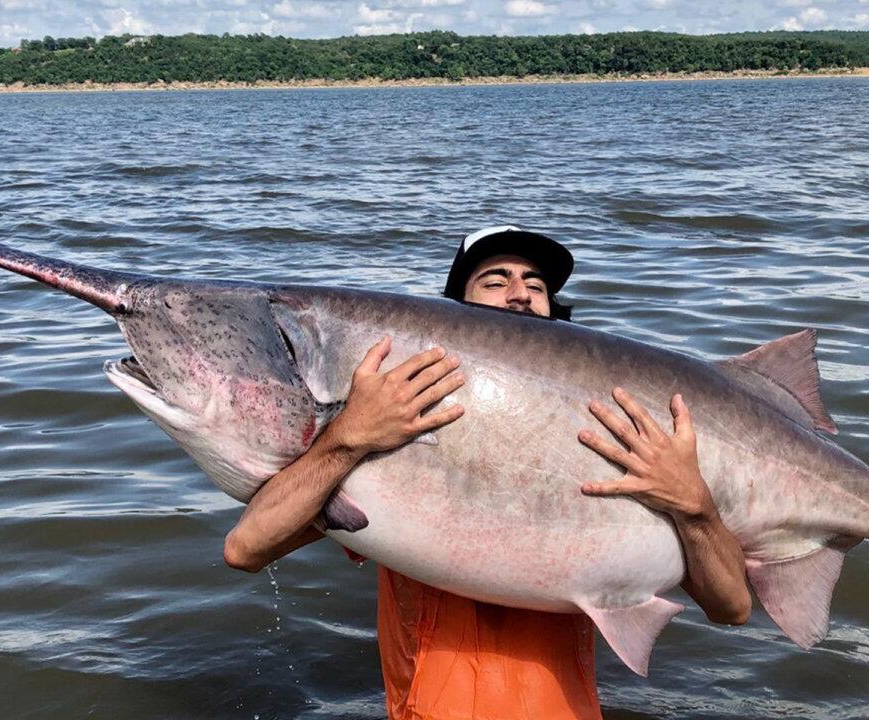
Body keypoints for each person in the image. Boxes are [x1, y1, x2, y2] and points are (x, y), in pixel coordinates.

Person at [223, 226, 750, 720]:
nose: (520, 293)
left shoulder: (623, 446)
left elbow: (732, 609)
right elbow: (247, 548)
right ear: (454, 312)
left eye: (536, 284)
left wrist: (695, 505)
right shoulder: (396, 432)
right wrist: (347, 438)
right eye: (495, 280)